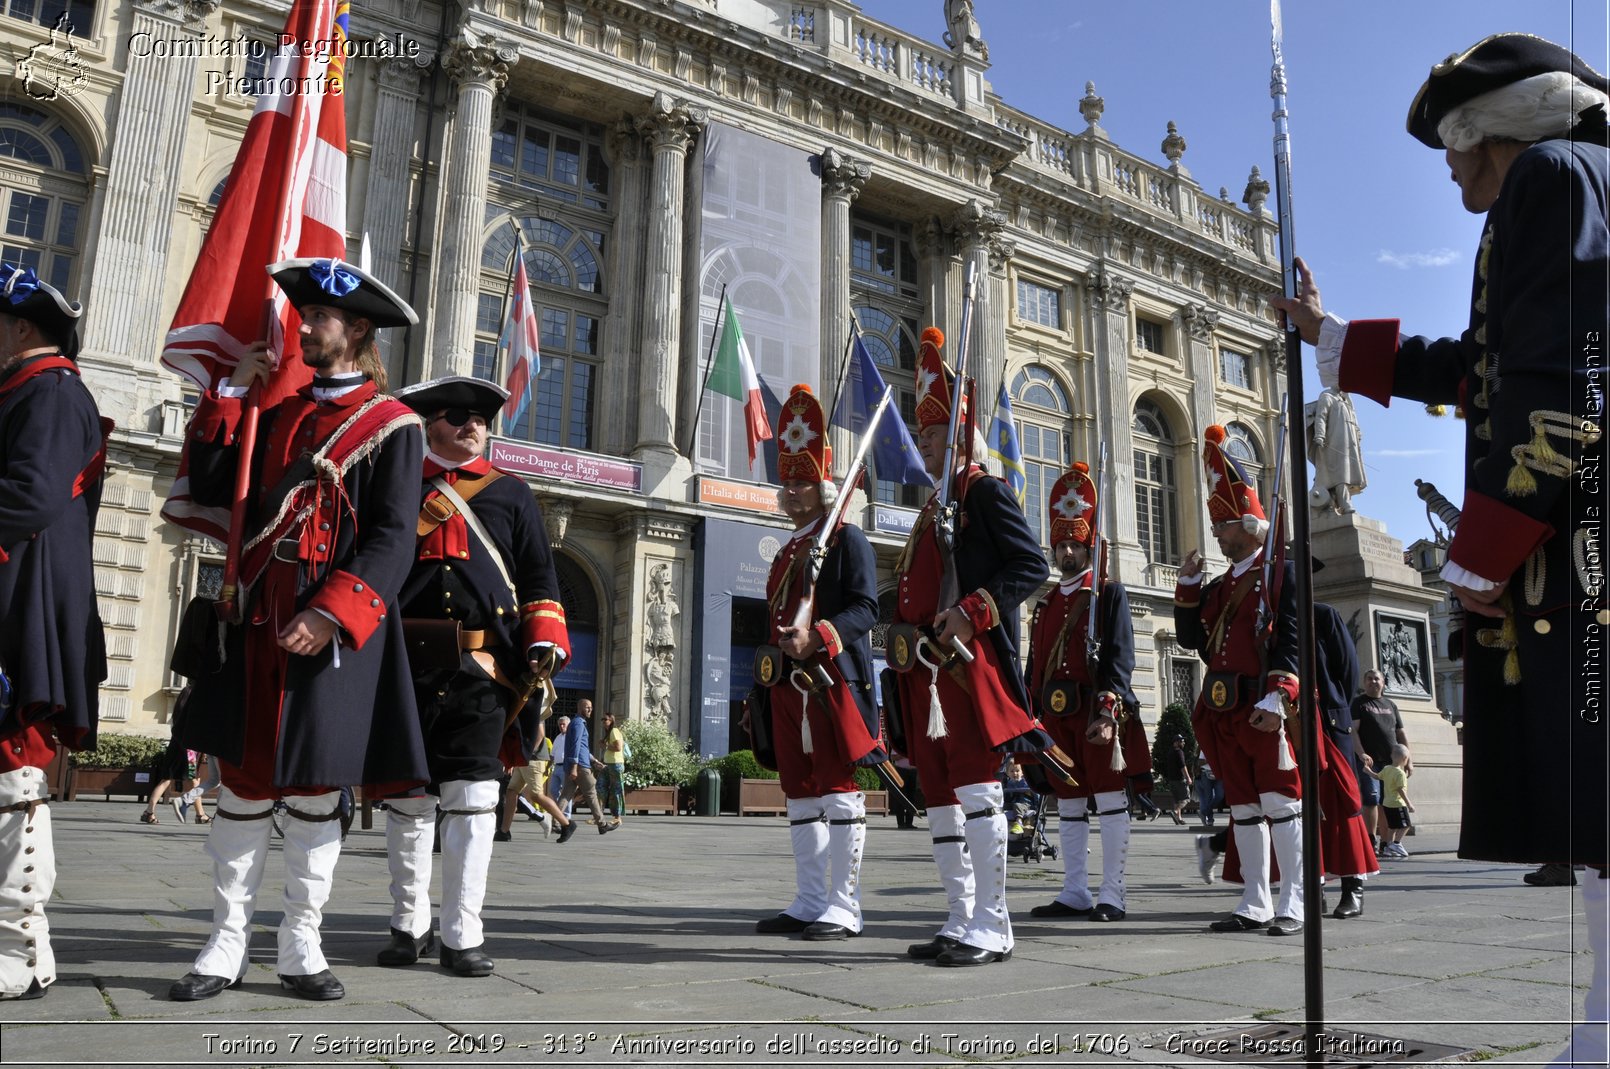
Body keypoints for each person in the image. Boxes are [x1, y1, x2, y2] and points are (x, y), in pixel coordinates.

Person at [1270, 35, 1607, 1061]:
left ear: (1498, 133)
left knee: (1596, 789)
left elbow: (1560, 383)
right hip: (1571, 528)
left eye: (1456, 148)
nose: (1451, 171)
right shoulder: (1573, 176)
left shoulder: (1549, 177)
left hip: (1574, 543)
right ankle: (1598, 1023)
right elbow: (1486, 368)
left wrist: (1486, 555)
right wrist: (1329, 337)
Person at [166, 257, 429, 1003]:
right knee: (243, 786)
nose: (302, 327)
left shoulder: (394, 427)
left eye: (317, 318)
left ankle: (300, 944)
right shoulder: (274, 413)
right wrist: (226, 394)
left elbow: (392, 538)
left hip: (331, 633)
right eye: (302, 314)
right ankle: (224, 943)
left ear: (358, 331)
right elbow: (218, 488)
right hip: (255, 621)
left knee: (315, 791)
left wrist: (332, 612)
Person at [378, 375, 572, 978]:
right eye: (458, 415)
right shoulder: (395, 486)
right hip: (402, 668)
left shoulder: (510, 493)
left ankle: (463, 934)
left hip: (482, 671)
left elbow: (540, 577)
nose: (473, 426)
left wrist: (546, 640)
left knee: (473, 799)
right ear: (427, 423)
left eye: (482, 418)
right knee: (407, 801)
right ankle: (407, 926)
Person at [888, 328, 1050, 967]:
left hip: (967, 668)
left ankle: (994, 922)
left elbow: (1028, 565)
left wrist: (973, 609)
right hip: (923, 676)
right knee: (939, 798)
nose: (920, 444)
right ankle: (960, 917)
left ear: (954, 434)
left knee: (980, 793)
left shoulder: (981, 491)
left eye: (928, 435)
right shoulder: (935, 505)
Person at [0, 263, 106, 1001]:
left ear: (22, 327)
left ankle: (10, 941)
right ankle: (31, 951)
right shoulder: (29, 389)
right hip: (15, 590)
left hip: (23, 601)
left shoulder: (53, 389)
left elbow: (31, 493)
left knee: (15, 769)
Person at [750, 384, 884, 942]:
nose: (793, 490)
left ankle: (844, 904)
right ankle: (809, 899)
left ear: (823, 485)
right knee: (800, 790)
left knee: (836, 787)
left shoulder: (847, 540)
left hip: (830, 680)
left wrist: (820, 636)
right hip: (786, 685)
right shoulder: (788, 548)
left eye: (803, 481)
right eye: (788, 482)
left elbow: (866, 610)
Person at [1175, 425, 1304, 936]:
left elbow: (1291, 638)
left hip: (1263, 706)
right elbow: (1192, 640)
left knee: (1281, 803)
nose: (1218, 534)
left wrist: (1280, 694)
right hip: (1227, 710)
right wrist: (1186, 585)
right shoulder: (1221, 584)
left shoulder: (1280, 573)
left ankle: (1293, 898)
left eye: (1225, 525)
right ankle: (1256, 899)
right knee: (1245, 807)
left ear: (1250, 525)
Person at [1022, 460, 1151, 923]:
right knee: (1069, 802)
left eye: (1073, 544)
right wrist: (1028, 715)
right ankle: (1075, 890)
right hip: (1057, 717)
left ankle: (1113, 893)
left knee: (1111, 799)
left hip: (1095, 712)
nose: (1065, 552)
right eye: (1059, 544)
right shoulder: (1047, 602)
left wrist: (1108, 710)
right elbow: (1035, 665)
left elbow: (1119, 657)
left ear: (1088, 545)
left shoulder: (1106, 594)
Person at [1350, 669, 1409, 854]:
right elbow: (1353, 731)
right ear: (1364, 682)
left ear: (1383, 682)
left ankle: (1386, 842)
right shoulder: (1359, 703)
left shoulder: (1390, 704)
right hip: (1370, 762)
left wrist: (1409, 760)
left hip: (1392, 763)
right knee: (1371, 800)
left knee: (1388, 802)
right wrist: (1361, 753)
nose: (1372, 682)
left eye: (1376, 679)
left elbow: (1401, 733)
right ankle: (1370, 839)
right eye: (1369, 679)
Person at [1303, 385, 1366, 514]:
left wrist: (1358, 433)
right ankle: (1345, 503)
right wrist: (1319, 435)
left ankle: (1332, 502)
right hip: (1332, 443)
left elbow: (1353, 421)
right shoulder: (1327, 397)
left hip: (1348, 443)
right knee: (1340, 474)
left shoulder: (1345, 401)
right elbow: (1321, 417)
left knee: (1345, 473)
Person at [555, 700, 612, 833]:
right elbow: (575, 746)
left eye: (591, 708)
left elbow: (582, 748)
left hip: (576, 765)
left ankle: (554, 822)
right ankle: (602, 824)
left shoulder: (577, 723)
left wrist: (593, 760)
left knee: (566, 795)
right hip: (580, 766)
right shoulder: (578, 724)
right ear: (580, 708)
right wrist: (575, 767)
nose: (590, 710)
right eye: (587, 707)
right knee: (591, 793)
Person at [1370, 746, 1415, 859]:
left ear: (1391, 756)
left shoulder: (1387, 769)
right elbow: (1401, 790)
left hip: (1387, 803)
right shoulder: (1400, 774)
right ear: (1405, 758)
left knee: (1392, 826)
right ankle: (1396, 843)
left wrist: (1368, 770)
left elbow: (1376, 776)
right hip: (1398, 803)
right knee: (1406, 825)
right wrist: (1409, 804)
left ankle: (1388, 846)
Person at [1158, 735, 1193, 826]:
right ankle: (1175, 811)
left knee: (1177, 800)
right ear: (1176, 742)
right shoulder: (1179, 752)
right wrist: (1188, 777)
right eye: (1182, 741)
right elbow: (1183, 766)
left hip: (1172, 780)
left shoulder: (1170, 752)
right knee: (1185, 799)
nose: (1183, 743)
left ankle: (1178, 819)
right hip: (1180, 780)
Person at [599, 712, 625, 827]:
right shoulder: (608, 733)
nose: (604, 722)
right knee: (600, 787)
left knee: (616, 790)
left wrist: (605, 746)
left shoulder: (614, 731)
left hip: (616, 764)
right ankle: (598, 815)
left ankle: (617, 817)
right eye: (602, 719)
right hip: (608, 764)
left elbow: (618, 747)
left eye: (606, 719)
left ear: (611, 720)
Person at [1195, 754, 1220, 828]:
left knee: (1219, 795)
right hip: (1206, 773)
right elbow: (1200, 762)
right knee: (1209, 797)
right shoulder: (1205, 748)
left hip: (1219, 773)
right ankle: (1210, 819)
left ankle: (1204, 812)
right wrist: (1212, 760)